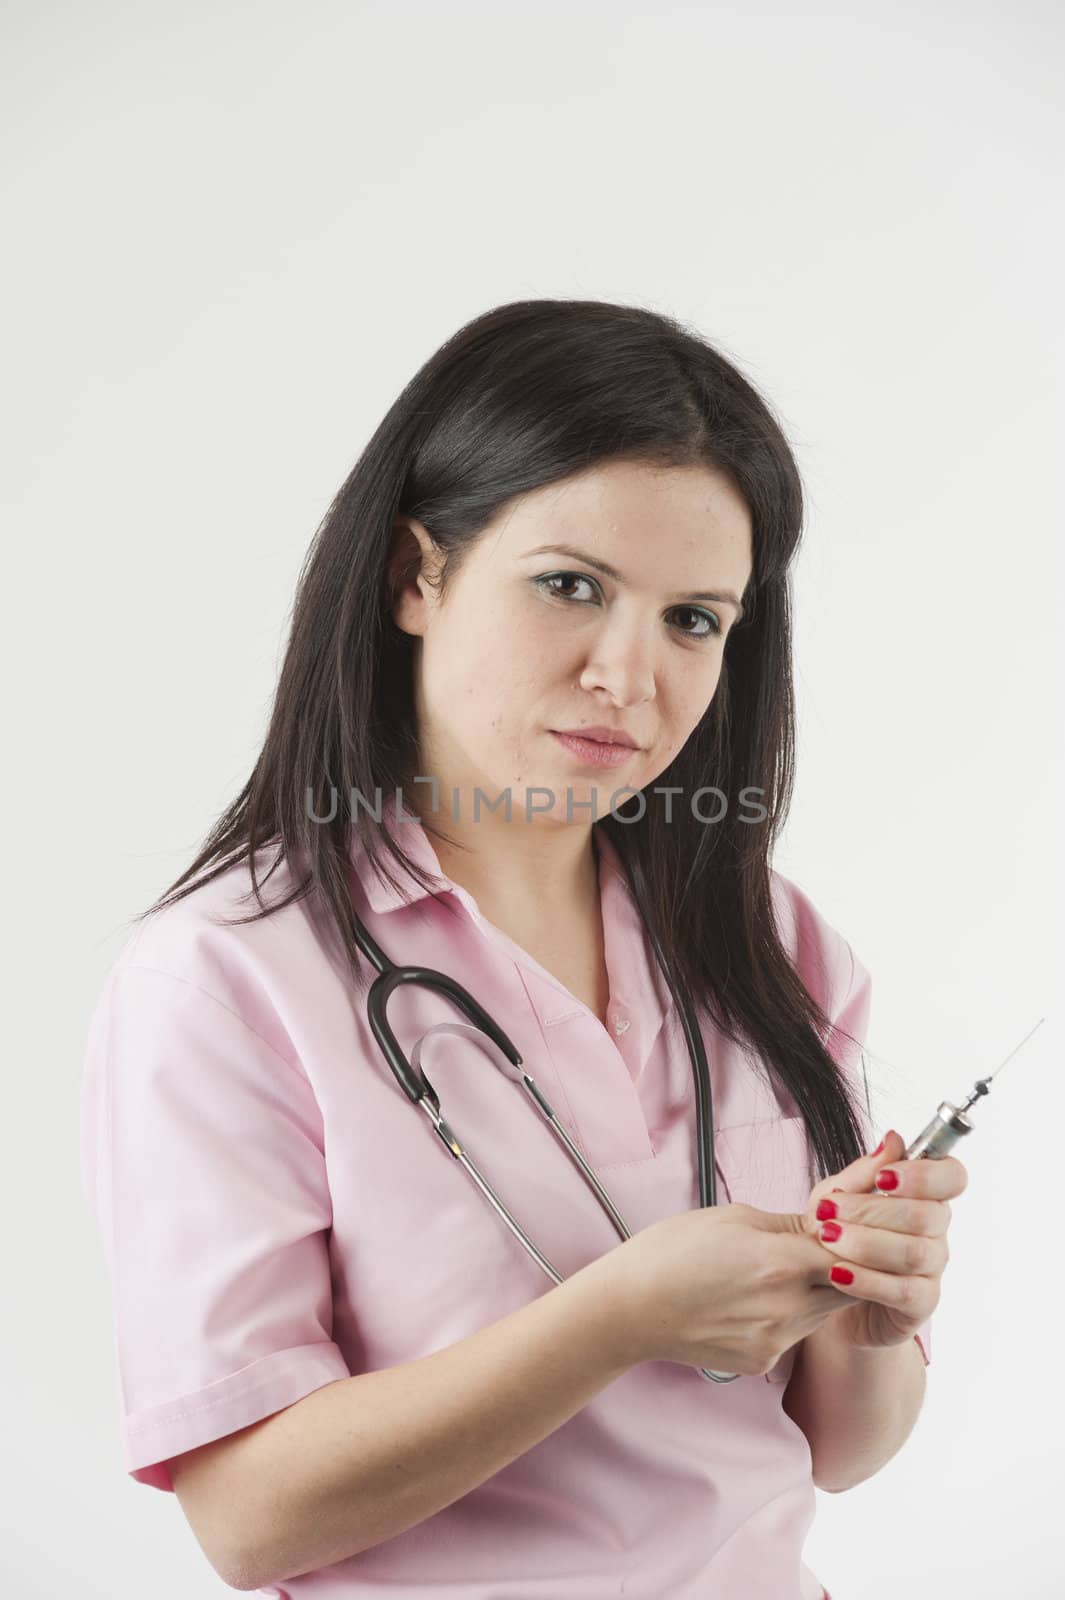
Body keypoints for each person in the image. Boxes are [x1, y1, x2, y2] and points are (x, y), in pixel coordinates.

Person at [80, 298, 961, 1598]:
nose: (628, 672)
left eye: (692, 620)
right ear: (415, 578)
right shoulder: (223, 977)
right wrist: (607, 1323)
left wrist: (874, 1318)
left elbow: (839, 1451)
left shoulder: (769, 942)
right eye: (569, 587)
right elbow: (250, 1521)